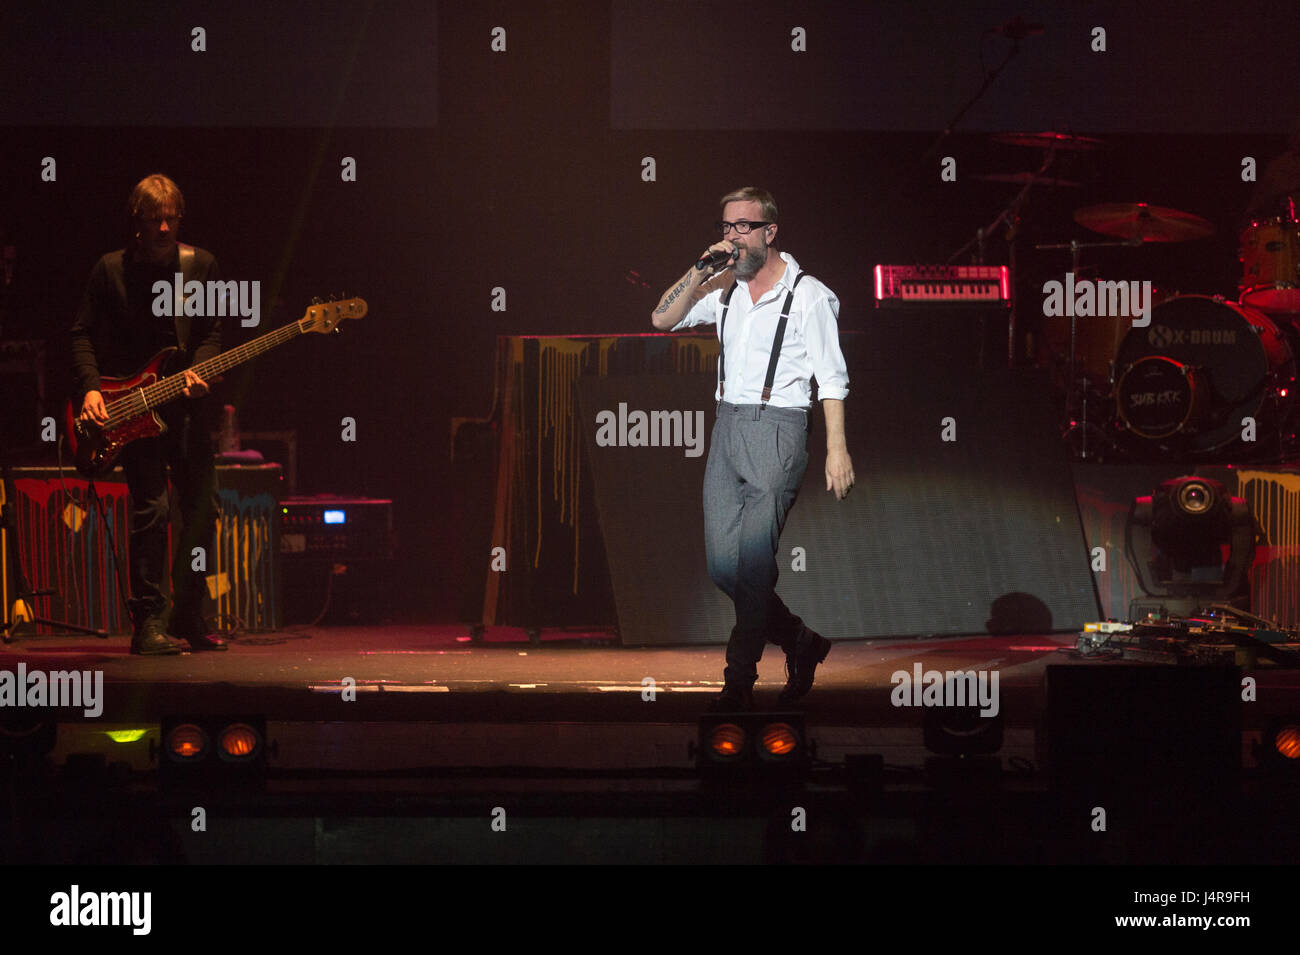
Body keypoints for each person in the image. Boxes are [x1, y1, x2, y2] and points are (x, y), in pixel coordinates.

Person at [651, 187, 854, 710]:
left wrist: (837, 449)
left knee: (757, 562)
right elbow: (661, 319)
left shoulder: (808, 295)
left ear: (769, 232)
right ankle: (799, 641)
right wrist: (699, 269)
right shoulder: (722, 290)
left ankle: (738, 682)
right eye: (726, 226)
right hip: (728, 429)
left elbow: (831, 378)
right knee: (725, 568)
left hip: (780, 430)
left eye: (743, 226)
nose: (732, 236)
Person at [71, 174, 228, 655]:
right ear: (135, 222)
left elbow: (211, 332)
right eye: (154, 219)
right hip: (132, 409)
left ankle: (189, 614)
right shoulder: (109, 270)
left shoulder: (199, 266)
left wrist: (199, 372)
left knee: (202, 512)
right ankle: (148, 623)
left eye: (171, 218)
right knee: (152, 511)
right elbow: (81, 335)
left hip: (186, 412)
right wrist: (92, 391)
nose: (164, 228)